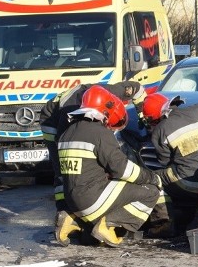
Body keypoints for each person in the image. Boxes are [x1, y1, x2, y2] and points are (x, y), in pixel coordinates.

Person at [55, 85, 166, 247]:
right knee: (150, 192)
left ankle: (71, 219)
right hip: (93, 199)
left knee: (90, 235)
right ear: (105, 110)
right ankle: (108, 226)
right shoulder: (99, 133)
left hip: (73, 201)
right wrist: (150, 177)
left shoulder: (67, 133)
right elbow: (122, 169)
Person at [141, 92, 198, 229]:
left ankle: (164, 224)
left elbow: (164, 162)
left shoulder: (160, 130)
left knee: (152, 179)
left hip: (188, 182)